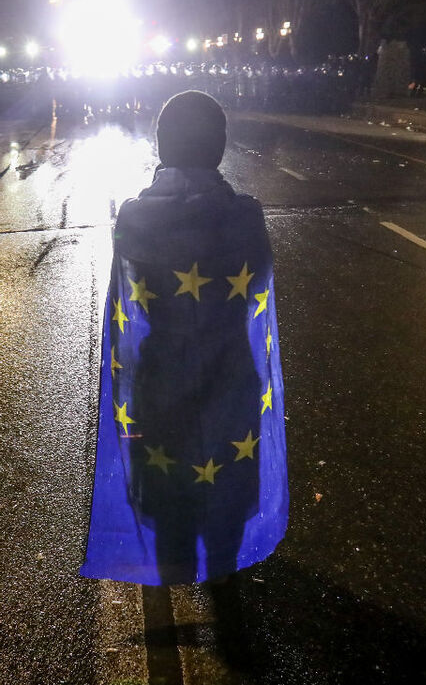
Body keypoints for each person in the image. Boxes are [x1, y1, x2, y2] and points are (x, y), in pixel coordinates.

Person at [81, 90, 288, 591]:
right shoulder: (244, 216)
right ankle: (224, 585)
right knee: (228, 491)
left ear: (161, 147)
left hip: (160, 381)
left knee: (170, 491)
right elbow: (259, 273)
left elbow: (128, 295)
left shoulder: (135, 218)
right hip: (231, 375)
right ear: (218, 146)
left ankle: (175, 577)